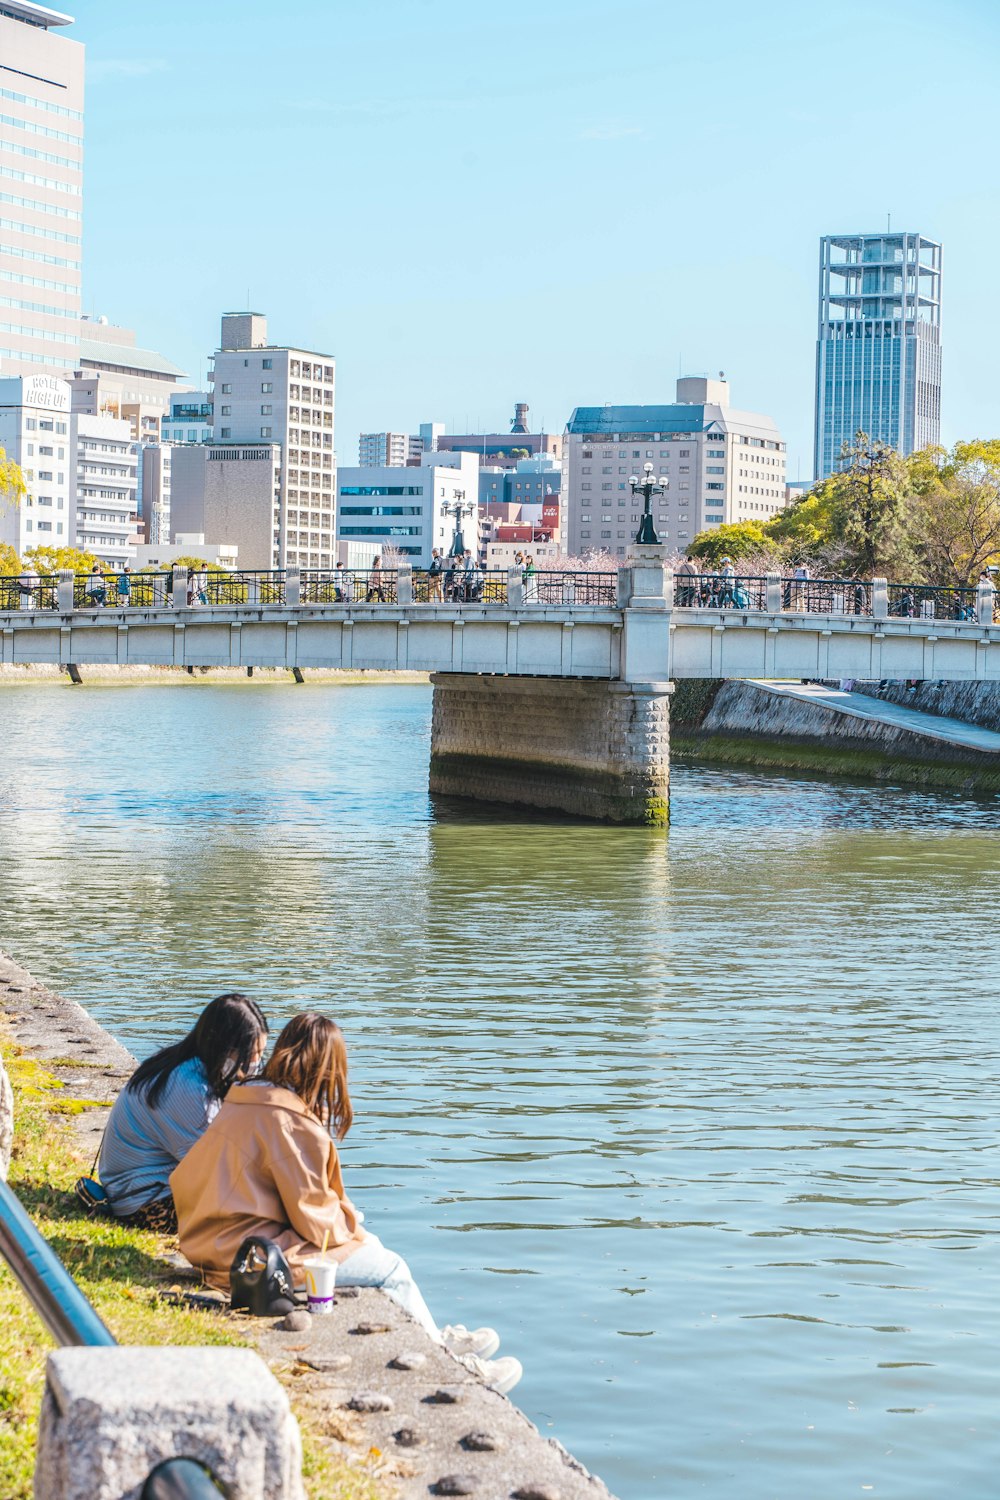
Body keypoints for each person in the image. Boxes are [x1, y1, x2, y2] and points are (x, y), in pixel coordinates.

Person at [171, 1013, 522, 1392]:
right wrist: (351, 1218)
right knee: (391, 1269)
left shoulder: (249, 1099)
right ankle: (454, 1369)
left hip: (210, 1238)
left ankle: (431, 1335)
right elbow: (317, 1223)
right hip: (243, 1258)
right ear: (329, 1068)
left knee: (369, 1246)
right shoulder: (289, 1121)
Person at [100, 993, 269, 1232]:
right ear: (225, 1048)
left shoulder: (183, 1065)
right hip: (145, 1204)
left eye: (261, 1054)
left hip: (132, 1188)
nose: (256, 1063)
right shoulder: (189, 1089)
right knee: (261, 1212)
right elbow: (218, 1169)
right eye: (251, 1054)